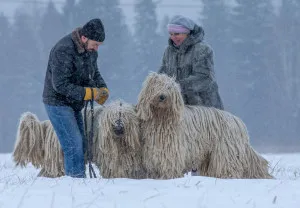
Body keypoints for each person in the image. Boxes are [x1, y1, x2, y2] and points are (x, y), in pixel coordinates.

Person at [42, 18, 109, 178]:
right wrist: (88, 93)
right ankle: (75, 184)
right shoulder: (63, 50)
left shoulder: (90, 50)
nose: (97, 48)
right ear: (84, 38)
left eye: (99, 45)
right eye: (95, 44)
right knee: (73, 144)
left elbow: (94, 72)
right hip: (57, 103)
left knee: (82, 144)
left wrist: (102, 88)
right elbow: (60, 85)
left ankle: (78, 179)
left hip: (74, 104)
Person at [159, 15, 224, 110]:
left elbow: (204, 78)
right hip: (178, 109)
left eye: (177, 34)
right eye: (171, 34)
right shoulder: (169, 51)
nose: (173, 37)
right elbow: (162, 75)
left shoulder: (202, 50)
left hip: (204, 109)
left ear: (187, 33)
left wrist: (176, 87)